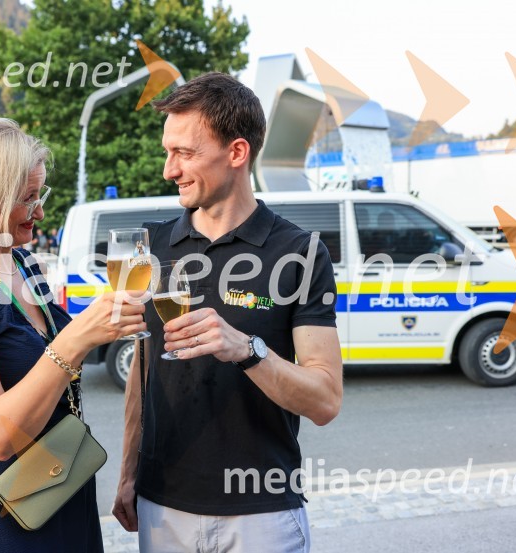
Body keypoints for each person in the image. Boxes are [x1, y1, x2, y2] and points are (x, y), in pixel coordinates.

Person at [112, 73, 344, 552]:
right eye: (166, 152)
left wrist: (246, 349)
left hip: (262, 515)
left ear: (237, 153)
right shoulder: (150, 244)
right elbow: (143, 366)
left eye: (185, 153)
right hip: (163, 509)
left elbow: (325, 401)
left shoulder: (300, 253)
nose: (168, 170)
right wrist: (129, 473)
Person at [0, 118, 147, 552]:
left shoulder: (22, 263)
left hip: (60, 486)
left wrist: (102, 321)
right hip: (4, 515)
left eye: (41, 195)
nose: (40, 212)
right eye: (28, 199)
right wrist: (77, 340)